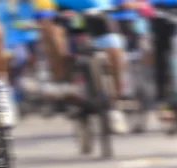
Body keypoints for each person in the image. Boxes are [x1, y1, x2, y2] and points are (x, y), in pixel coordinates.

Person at [32, 0, 129, 134]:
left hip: (98, 14)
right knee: (52, 33)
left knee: (115, 53)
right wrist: (46, 12)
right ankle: (63, 81)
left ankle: (115, 106)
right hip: (64, 15)